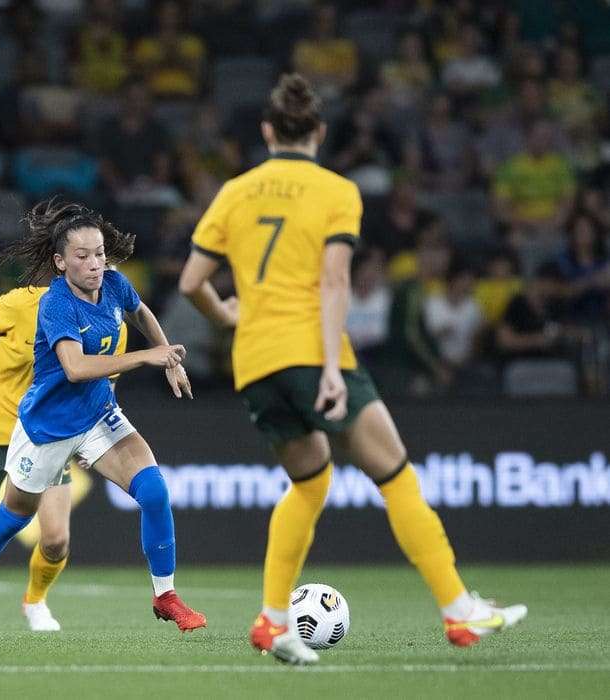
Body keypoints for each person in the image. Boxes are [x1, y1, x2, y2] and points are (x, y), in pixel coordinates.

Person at [178, 74, 526, 665]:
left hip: (256, 362)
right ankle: (458, 612)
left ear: (267, 131)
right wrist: (333, 369)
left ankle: (272, 620)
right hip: (313, 352)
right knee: (395, 475)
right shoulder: (338, 190)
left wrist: (228, 312)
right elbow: (335, 281)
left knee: (310, 483)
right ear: (319, 131)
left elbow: (191, 283)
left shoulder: (235, 191)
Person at [0, 200, 209, 641]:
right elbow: (75, 368)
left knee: (153, 490)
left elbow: (140, 312)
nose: (95, 264)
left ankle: (165, 596)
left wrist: (169, 355)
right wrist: (146, 357)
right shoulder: (56, 305)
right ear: (60, 262)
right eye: (83, 256)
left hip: (98, 415)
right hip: (48, 427)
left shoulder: (113, 283)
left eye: (99, 253)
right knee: (11, 518)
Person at [0, 266, 134, 632]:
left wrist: (92, 434)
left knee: (55, 539)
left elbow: (105, 380)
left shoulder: (108, 319)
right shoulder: (25, 302)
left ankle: (35, 601)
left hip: (48, 429)